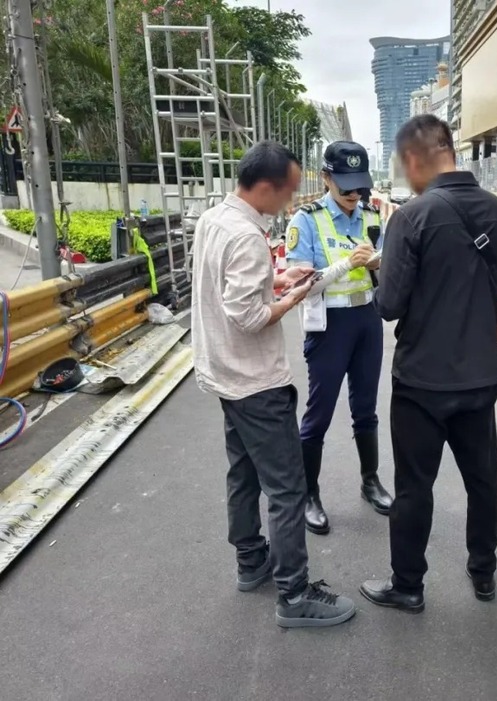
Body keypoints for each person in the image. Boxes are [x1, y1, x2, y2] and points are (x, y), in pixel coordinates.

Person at [359, 114, 497, 613]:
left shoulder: (410, 218)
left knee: (415, 488)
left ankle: (408, 585)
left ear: (413, 159)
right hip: (480, 378)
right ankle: (484, 574)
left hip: (421, 384)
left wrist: (381, 272)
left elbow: (389, 306)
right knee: (482, 482)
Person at [191, 140, 355, 628]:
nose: (290, 201)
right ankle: (294, 593)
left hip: (224, 376)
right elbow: (247, 316)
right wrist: (292, 297)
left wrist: (278, 278)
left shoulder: (214, 220)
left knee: (243, 474)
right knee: (287, 489)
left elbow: (229, 291)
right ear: (265, 186)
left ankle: (251, 560)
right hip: (256, 381)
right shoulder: (245, 236)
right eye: (286, 191)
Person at [284, 141, 392, 536]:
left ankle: (370, 481)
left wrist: (379, 261)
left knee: (366, 407)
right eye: (345, 184)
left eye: (360, 185)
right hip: (328, 326)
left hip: (366, 320)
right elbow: (299, 287)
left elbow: (385, 269)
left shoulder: (370, 215)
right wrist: (347, 263)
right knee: (319, 413)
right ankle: (309, 493)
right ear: (325, 178)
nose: (353, 194)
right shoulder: (306, 221)